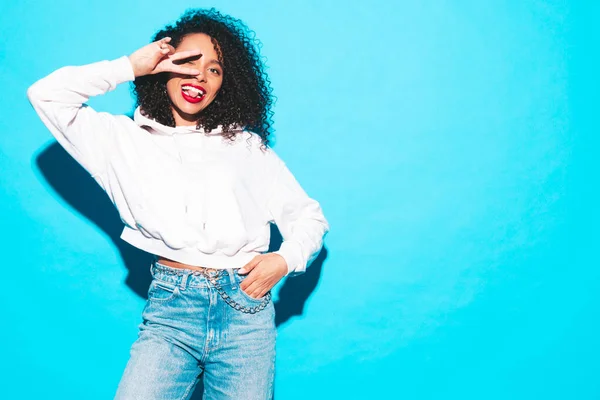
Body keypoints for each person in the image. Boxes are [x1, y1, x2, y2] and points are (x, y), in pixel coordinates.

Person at [27, 8, 328, 400]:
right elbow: (46, 94)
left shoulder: (246, 147)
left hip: (245, 310)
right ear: (164, 65)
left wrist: (285, 259)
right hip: (171, 310)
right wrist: (130, 66)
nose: (200, 75)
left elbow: (309, 216)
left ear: (225, 85)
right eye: (188, 61)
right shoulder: (118, 140)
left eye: (215, 70)